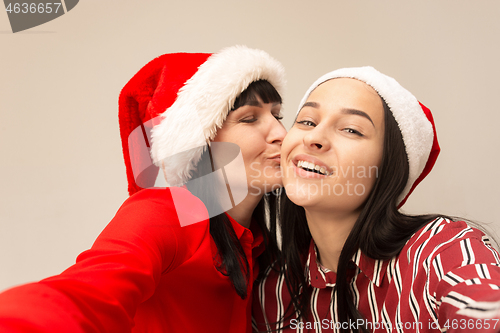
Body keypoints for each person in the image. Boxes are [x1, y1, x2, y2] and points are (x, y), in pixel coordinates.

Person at [0, 45, 287, 333]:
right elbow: (87, 295)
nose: (281, 134)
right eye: (249, 119)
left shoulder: (262, 247)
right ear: (200, 143)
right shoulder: (168, 212)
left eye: (278, 116)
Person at [252, 67, 500, 333]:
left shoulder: (443, 252)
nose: (313, 138)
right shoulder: (272, 289)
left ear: (388, 167)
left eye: (351, 130)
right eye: (307, 122)